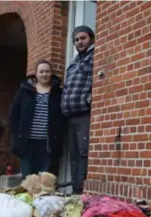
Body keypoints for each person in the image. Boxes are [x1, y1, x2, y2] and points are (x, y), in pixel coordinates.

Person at [9, 59, 65, 179]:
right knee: (28, 179)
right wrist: (17, 135)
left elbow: (62, 117)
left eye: (47, 71)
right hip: (27, 143)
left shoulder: (58, 93)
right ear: (36, 74)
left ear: (51, 73)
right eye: (41, 72)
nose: (44, 74)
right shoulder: (25, 91)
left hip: (47, 144)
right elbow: (14, 115)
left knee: (44, 180)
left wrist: (59, 134)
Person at [61, 25, 95, 194]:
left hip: (84, 114)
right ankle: (75, 191)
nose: (80, 42)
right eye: (76, 40)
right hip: (70, 116)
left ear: (91, 39)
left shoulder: (94, 57)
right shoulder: (73, 63)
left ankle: (82, 192)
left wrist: (89, 99)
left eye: (83, 38)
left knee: (84, 153)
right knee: (73, 155)